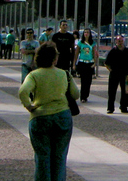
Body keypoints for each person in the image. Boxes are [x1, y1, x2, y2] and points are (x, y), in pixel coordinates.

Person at [18, 41, 79, 181]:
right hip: (62, 116)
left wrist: (29, 106)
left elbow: (23, 91)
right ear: (54, 59)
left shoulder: (34, 75)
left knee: (42, 156)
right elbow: (76, 95)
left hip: (40, 117)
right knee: (60, 156)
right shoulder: (64, 74)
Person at [104, 35, 128, 114]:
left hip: (124, 74)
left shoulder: (127, 51)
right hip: (114, 74)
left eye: (121, 41)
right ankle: (110, 108)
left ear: (123, 41)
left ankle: (124, 107)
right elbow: (106, 63)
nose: (120, 42)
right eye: (118, 41)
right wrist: (111, 70)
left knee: (125, 92)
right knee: (111, 92)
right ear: (116, 42)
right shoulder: (113, 51)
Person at [73, 28, 98, 103]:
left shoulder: (92, 43)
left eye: (87, 32)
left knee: (89, 81)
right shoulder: (80, 43)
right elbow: (76, 54)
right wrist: (74, 64)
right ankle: (82, 96)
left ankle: (86, 95)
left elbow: (94, 53)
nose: (86, 33)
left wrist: (94, 63)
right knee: (83, 80)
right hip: (82, 63)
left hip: (89, 63)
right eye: (85, 32)